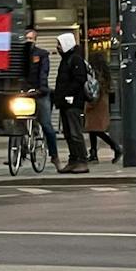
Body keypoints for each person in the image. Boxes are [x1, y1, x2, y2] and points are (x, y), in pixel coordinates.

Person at [52, 32, 90, 174]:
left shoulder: (75, 60)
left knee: (75, 132)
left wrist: (67, 94)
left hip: (73, 102)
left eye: (60, 44)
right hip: (65, 102)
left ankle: (82, 160)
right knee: (68, 133)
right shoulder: (67, 59)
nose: (57, 47)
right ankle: (73, 160)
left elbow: (79, 80)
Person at [23, 28, 60, 171]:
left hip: (39, 92)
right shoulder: (19, 55)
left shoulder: (41, 54)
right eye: (26, 38)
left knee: (46, 124)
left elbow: (43, 72)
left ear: (35, 40)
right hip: (24, 92)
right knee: (17, 121)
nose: (28, 41)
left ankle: (54, 156)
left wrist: (42, 88)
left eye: (31, 39)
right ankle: (20, 148)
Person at [85, 72, 121, 164]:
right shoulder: (105, 78)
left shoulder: (96, 78)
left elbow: (94, 93)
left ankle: (115, 147)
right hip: (102, 105)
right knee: (93, 130)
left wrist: (89, 105)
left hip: (95, 106)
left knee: (96, 130)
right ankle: (94, 153)